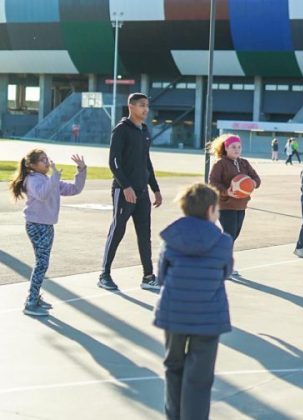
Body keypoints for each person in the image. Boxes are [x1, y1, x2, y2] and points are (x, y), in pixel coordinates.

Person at [154, 183, 233, 420]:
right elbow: (225, 272)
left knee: (173, 367)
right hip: (208, 315)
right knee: (199, 377)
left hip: (174, 312)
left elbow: (161, 275)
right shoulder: (223, 241)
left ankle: (174, 415)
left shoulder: (170, 237)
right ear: (211, 210)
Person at [10, 149, 87, 316]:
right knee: (42, 263)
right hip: (37, 225)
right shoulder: (32, 180)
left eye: (47, 159)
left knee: (42, 263)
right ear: (32, 165)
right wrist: (54, 177)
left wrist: (81, 170)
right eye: (42, 160)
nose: (47, 162)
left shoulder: (47, 179)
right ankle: (31, 302)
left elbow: (74, 189)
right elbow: (42, 195)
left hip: (47, 225)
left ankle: (35, 297)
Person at [99, 93, 163, 292]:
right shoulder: (121, 130)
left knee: (145, 235)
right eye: (142, 105)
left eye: (147, 106)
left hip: (142, 192)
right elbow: (114, 162)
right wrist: (125, 186)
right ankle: (104, 274)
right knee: (117, 230)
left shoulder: (144, 130)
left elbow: (147, 162)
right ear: (131, 107)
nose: (146, 109)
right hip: (124, 190)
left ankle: (148, 276)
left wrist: (155, 188)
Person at [208, 134, 261, 279]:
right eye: (233, 147)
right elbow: (213, 182)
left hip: (241, 205)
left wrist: (253, 183)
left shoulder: (244, 163)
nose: (237, 150)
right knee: (229, 236)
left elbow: (256, 178)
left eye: (239, 147)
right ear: (226, 148)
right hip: (226, 205)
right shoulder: (220, 163)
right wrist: (227, 192)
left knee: (234, 235)